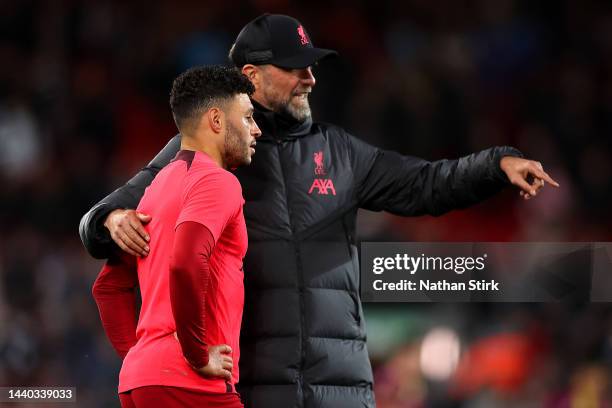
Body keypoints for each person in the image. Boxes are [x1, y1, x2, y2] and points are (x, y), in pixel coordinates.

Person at [81, 14, 558, 408]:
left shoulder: (340, 153)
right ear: (252, 77)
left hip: (342, 390)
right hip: (252, 389)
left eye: (311, 66)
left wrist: (495, 163)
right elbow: (108, 215)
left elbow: (425, 185)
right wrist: (108, 221)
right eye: (295, 68)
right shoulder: (205, 155)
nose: (310, 77)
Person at [91, 65, 261, 407]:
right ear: (216, 121)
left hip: (142, 383)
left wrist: (142, 360)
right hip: (195, 385)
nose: (256, 130)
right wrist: (197, 356)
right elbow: (186, 262)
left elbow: (108, 287)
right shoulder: (218, 182)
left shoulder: (155, 189)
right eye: (247, 118)